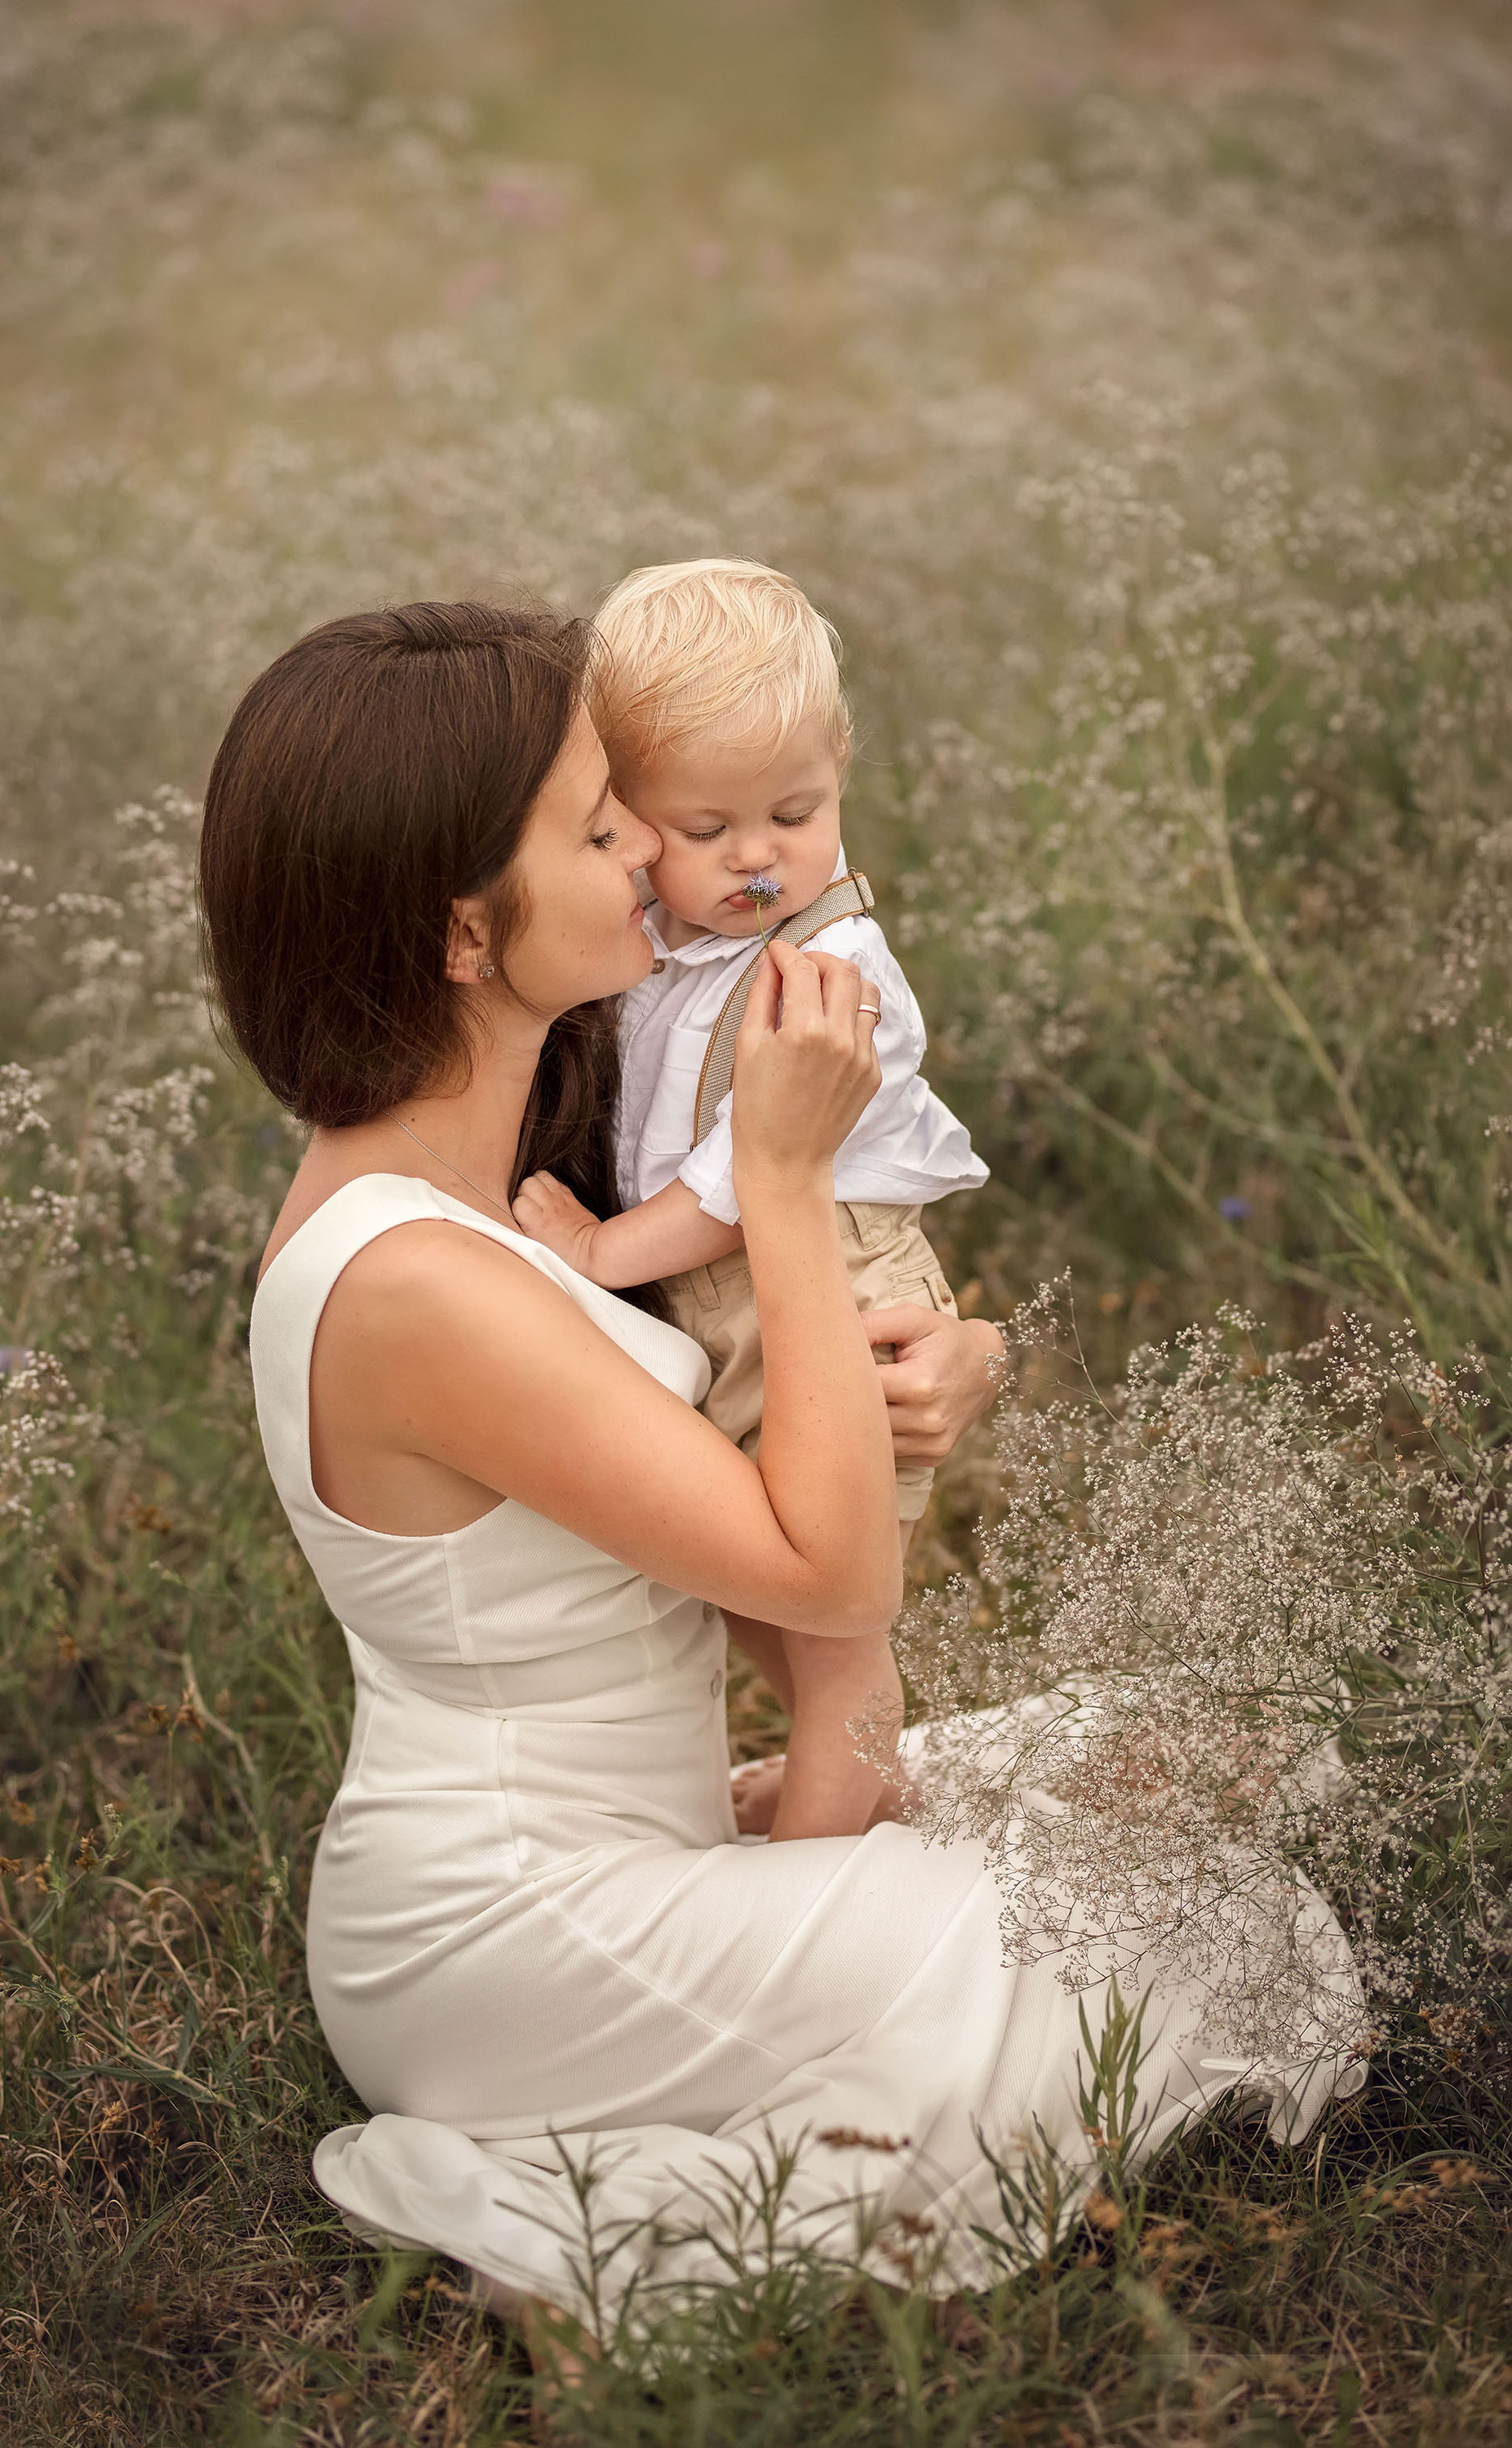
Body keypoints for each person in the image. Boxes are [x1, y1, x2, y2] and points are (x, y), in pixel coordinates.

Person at [202, 600, 1364, 2328]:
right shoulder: (412, 1282)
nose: (652, 862)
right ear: (465, 931)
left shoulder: (484, 1181)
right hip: (509, 1938)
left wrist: (940, 1359)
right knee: (1160, 1937)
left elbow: (730, 1440)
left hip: (622, 1848)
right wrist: (787, 1175)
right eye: (601, 831)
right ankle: (628, 2211)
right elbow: (823, 1570)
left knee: (1194, 1781)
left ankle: (778, 1940)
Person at [515, 559, 987, 1843]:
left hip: (824, 1285)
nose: (759, 857)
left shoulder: (829, 964)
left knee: (836, 1622)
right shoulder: (657, 941)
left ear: (843, 769)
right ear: (623, 820)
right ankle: (843, 1775)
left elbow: (751, 1168)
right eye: (706, 829)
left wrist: (611, 1251)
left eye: (797, 810)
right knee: (749, 1587)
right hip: (734, 1295)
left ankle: (819, 1866)